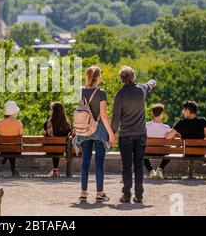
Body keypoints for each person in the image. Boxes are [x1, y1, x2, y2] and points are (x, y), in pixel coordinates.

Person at [111, 66, 156, 204]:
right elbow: (150, 85)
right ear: (133, 76)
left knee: (126, 166)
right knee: (138, 164)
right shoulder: (141, 89)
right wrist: (153, 81)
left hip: (125, 135)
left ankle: (126, 194)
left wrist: (112, 133)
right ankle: (139, 195)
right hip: (141, 134)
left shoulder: (120, 94)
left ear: (122, 79)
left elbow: (116, 119)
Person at [74, 66, 116, 203]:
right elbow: (103, 115)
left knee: (85, 161)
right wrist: (111, 134)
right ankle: (99, 193)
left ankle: (83, 193)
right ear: (98, 77)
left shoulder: (79, 91)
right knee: (99, 162)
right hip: (99, 130)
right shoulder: (101, 93)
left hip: (85, 129)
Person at [166, 101, 206, 178]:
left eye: (184, 109)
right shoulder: (203, 121)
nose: (182, 111)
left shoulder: (181, 122)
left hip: (187, 152)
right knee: (197, 147)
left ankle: (190, 172)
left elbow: (168, 137)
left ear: (188, 110)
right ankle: (202, 161)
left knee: (188, 147)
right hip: (201, 152)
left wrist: (177, 133)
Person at [43, 102, 72, 177]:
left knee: (53, 144)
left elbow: (44, 134)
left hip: (49, 149)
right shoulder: (67, 124)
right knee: (58, 145)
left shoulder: (48, 123)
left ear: (53, 111)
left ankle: (55, 170)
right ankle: (55, 170)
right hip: (62, 150)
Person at [0, 100, 24, 177]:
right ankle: (13, 172)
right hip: (16, 150)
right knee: (13, 148)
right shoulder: (19, 123)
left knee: (8, 150)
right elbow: (21, 135)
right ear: (14, 111)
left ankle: (6, 158)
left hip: (2, 150)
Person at [144, 103, 171, 179]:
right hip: (162, 152)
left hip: (148, 151)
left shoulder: (145, 125)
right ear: (162, 114)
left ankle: (151, 170)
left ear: (152, 113)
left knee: (141, 151)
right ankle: (160, 168)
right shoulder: (166, 127)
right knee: (169, 150)